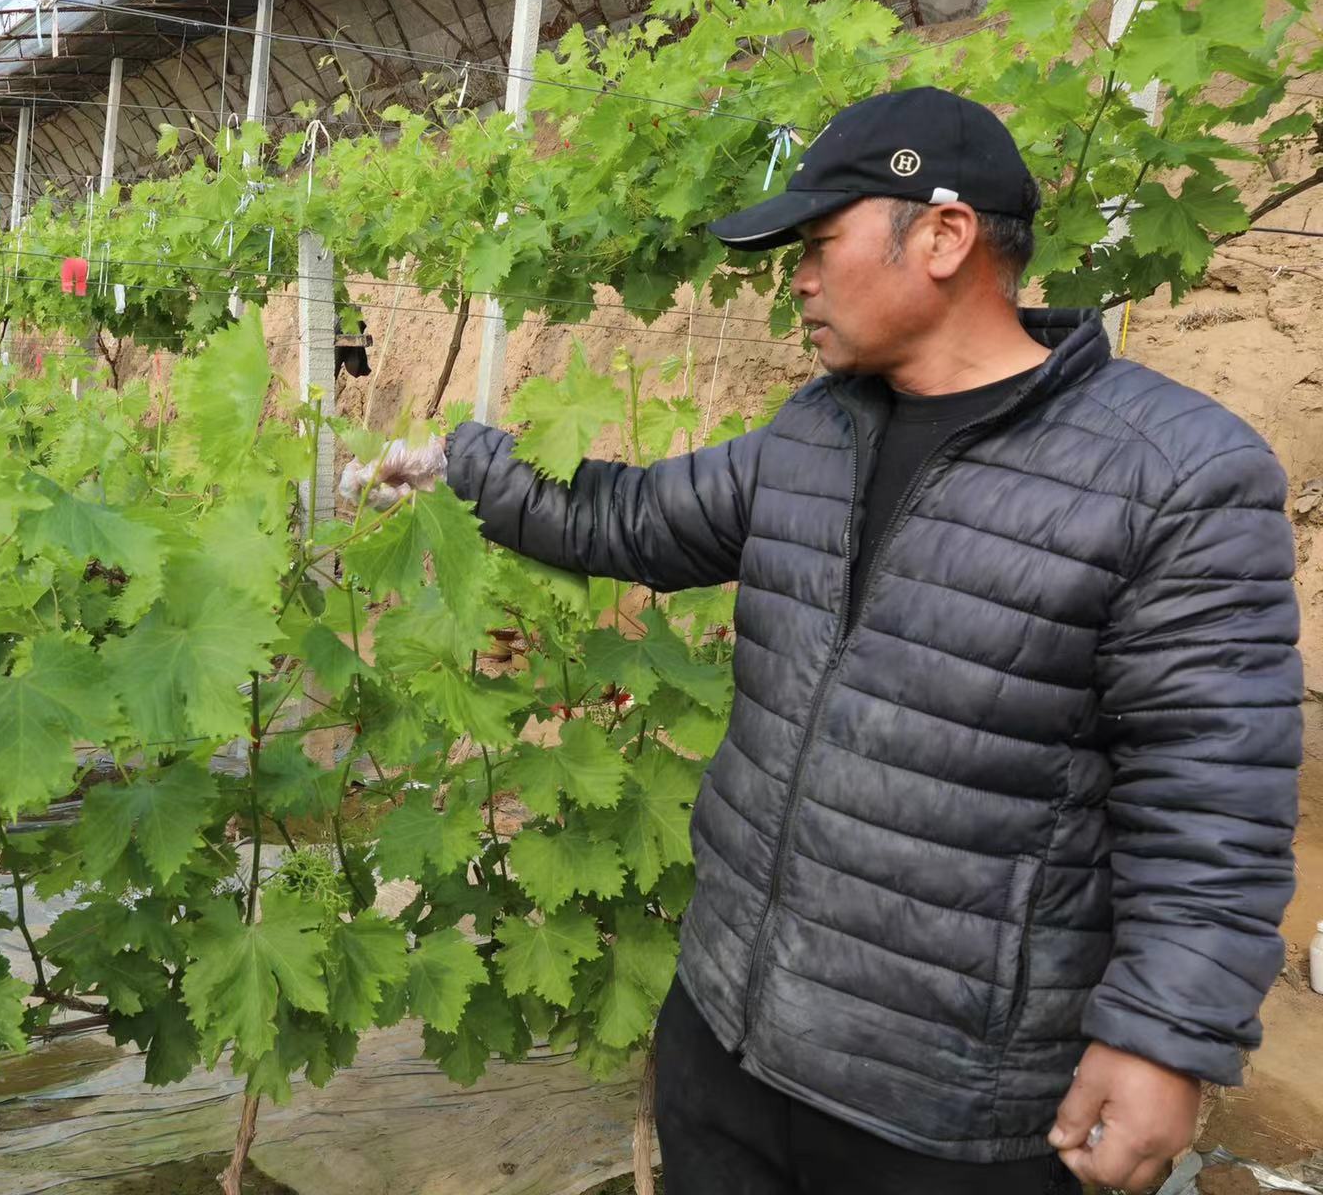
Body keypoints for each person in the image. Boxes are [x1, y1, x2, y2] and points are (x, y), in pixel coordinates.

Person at [353, 87, 1303, 1194]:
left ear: (944, 235)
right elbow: (631, 518)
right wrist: (460, 466)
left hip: (949, 1112)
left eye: (817, 244)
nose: (797, 279)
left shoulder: (1174, 475)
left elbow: (1212, 792)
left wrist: (1160, 1039)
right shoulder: (816, 430)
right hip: (729, 1043)